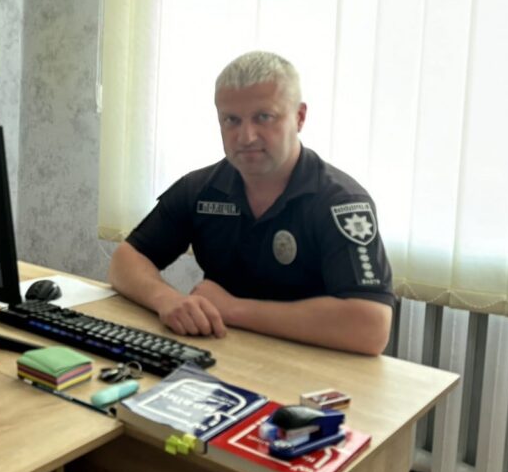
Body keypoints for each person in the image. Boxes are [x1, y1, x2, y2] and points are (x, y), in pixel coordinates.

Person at [108, 51, 394, 355]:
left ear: (299, 117)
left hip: (314, 367)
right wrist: (167, 300)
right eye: (231, 120)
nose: (246, 137)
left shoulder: (340, 202)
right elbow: (125, 260)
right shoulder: (201, 189)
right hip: (222, 355)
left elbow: (371, 327)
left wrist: (232, 309)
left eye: (264, 117)